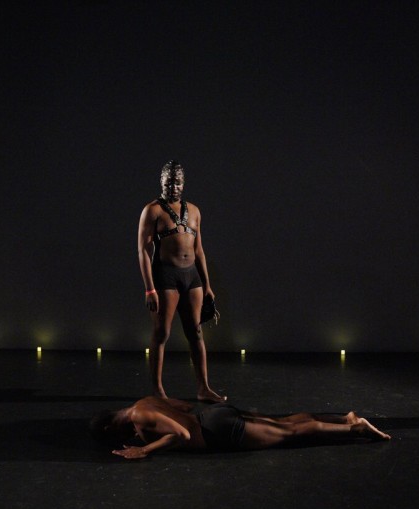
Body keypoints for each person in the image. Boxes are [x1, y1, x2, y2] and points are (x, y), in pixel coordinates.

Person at [138, 161, 225, 402]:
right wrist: (149, 288)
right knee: (161, 332)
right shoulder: (152, 210)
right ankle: (158, 391)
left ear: (183, 184)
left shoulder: (195, 211)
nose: (173, 186)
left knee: (196, 333)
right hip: (166, 275)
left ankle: (203, 388)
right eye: (168, 182)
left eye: (177, 182)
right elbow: (143, 251)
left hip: (192, 277)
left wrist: (207, 285)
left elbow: (199, 251)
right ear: (161, 182)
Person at [90, 396, 391, 459]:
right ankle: (344, 417)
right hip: (213, 416)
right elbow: (183, 407)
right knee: (283, 422)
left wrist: (144, 448)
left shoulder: (139, 416)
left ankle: (356, 430)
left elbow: (180, 435)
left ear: (109, 428)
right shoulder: (145, 401)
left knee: (290, 433)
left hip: (217, 433)